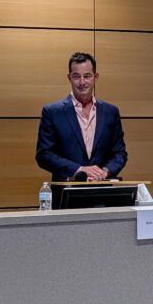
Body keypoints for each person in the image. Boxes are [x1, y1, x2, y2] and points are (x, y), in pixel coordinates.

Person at [35, 53, 128, 206]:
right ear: (69, 77)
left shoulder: (111, 112)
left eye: (87, 76)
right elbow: (44, 155)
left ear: (95, 77)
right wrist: (79, 169)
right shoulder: (52, 112)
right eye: (76, 76)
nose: (82, 82)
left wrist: (105, 171)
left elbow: (120, 153)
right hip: (65, 198)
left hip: (103, 197)